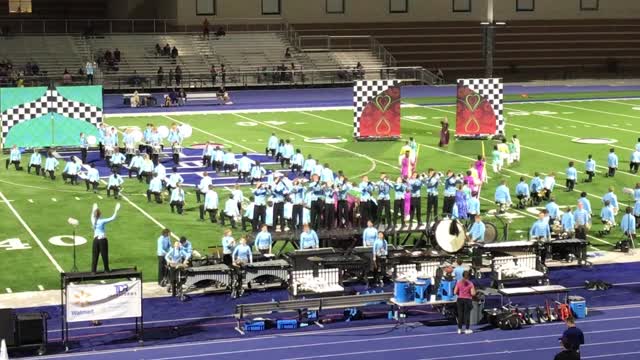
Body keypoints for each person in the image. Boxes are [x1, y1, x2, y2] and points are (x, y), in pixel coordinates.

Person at [91, 203, 119, 273]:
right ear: (100, 214)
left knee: (95, 256)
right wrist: (116, 210)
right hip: (102, 240)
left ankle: (93, 271)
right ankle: (106, 270)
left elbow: (92, 214)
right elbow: (113, 218)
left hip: (95, 240)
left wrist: (94, 208)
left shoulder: (93, 220)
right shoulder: (102, 221)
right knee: (104, 255)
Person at [454, 270, 476, 334]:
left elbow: (455, 292)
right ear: (468, 276)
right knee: (467, 315)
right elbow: (473, 293)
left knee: (460, 314)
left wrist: (459, 294)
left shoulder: (459, 282)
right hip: (467, 299)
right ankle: (467, 329)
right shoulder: (470, 283)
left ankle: (459, 329)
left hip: (460, 299)